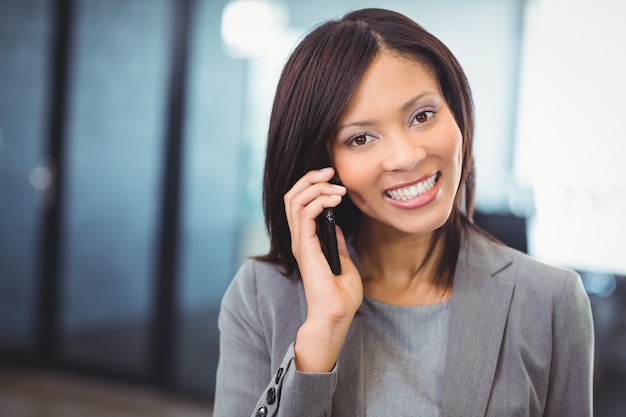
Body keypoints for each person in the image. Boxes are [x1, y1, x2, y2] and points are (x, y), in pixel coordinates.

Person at [213, 8, 594, 417]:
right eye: (361, 138)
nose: (407, 156)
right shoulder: (261, 295)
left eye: (422, 116)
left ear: (457, 112)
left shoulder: (551, 300)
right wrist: (322, 330)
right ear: (321, 165)